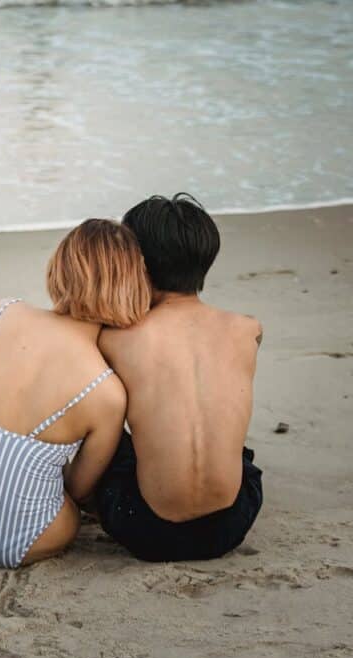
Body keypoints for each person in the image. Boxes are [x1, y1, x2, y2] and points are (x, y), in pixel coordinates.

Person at [0, 219, 151, 568]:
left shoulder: (5, 313)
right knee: (67, 510)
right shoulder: (106, 393)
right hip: (24, 540)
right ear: (132, 287)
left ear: (60, 267)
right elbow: (80, 489)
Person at [94, 194, 264, 562]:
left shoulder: (116, 339)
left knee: (101, 432)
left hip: (145, 529)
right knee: (237, 449)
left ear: (135, 263)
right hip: (231, 524)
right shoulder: (248, 330)